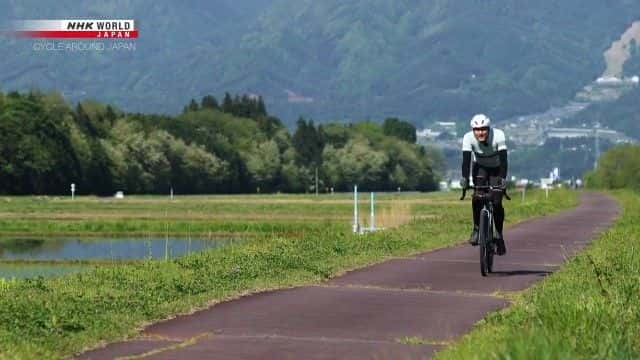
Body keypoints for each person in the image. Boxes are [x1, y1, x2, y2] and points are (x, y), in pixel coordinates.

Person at [459, 114, 508, 255]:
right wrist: (465, 178)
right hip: (480, 167)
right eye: (477, 129)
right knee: (477, 196)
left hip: (497, 168)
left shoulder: (498, 135)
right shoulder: (468, 138)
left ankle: (499, 234)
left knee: (497, 201)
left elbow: (504, 160)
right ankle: (476, 229)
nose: (480, 132)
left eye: (483, 129)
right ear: (473, 130)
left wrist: (503, 179)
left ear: (488, 128)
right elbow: (466, 161)